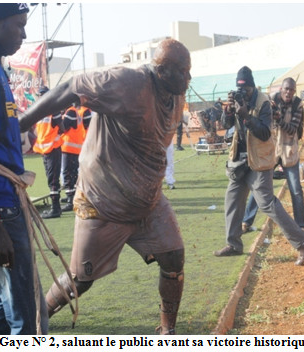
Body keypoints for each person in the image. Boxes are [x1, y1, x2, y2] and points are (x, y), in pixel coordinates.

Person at [19, 38, 191, 335]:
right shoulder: (129, 83)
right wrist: (20, 124)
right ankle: (35, 319)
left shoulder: (175, 94)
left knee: (173, 258)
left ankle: (167, 331)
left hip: (148, 202)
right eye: (183, 72)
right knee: (80, 280)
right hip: (103, 201)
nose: (188, 79)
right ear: (163, 70)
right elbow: (70, 87)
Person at [213, 66, 304, 266]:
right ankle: (233, 244)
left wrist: (246, 116)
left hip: (260, 160)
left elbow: (265, 133)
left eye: (247, 90)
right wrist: (228, 111)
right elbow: (226, 125)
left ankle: (302, 241)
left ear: (252, 87)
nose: (244, 93)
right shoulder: (238, 100)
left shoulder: (264, 103)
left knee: (266, 203)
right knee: (232, 199)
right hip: (240, 160)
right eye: (241, 89)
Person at [0, 2, 48, 335]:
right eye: (18, 25)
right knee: (27, 316)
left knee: (5, 306)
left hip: (8, 198)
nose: (24, 34)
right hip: (0, 207)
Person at [242, 77, 304, 232]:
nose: (289, 92)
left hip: (288, 150)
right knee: (259, 187)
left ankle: (302, 225)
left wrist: (278, 119)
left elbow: (292, 129)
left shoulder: (298, 104)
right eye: (286, 89)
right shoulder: (269, 101)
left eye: (292, 89)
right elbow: (262, 123)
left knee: (296, 189)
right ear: (281, 89)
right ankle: (246, 221)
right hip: (271, 149)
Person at [32, 86, 65, 219]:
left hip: (53, 149)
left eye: (41, 95)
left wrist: (53, 137)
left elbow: (62, 128)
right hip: (45, 150)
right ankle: (55, 207)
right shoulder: (41, 111)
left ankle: (55, 208)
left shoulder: (53, 110)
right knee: (51, 179)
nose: (39, 97)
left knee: (52, 180)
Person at [60, 104, 92, 212]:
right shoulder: (76, 112)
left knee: (68, 173)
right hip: (76, 145)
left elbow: (63, 127)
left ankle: (71, 198)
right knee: (71, 173)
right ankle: (72, 195)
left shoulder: (72, 112)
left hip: (71, 146)